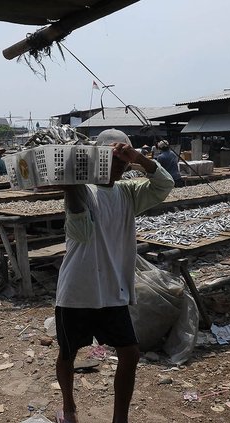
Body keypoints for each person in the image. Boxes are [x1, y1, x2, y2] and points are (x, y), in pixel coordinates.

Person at [54, 129, 174, 423]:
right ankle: (69, 408)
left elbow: (164, 184)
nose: (119, 164)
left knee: (130, 354)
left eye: (124, 158)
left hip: (112, 290)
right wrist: (71, 188)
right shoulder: (84, 190)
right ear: (97, 159)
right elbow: (80, 231)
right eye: (112, 158)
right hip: (78, 290)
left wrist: (140, 159)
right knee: (68, 352)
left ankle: (120, 418)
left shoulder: (128, 192)